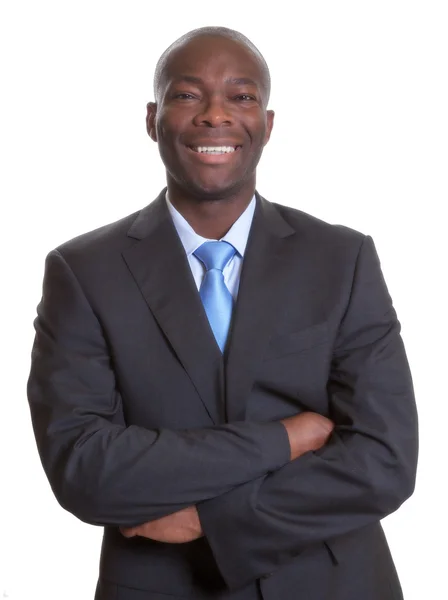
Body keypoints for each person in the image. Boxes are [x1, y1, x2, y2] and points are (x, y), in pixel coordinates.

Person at [27, 26, 418, 600]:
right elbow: (84, 468)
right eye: (188, 95)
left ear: (268, 124)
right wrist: (287, 438)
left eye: (241, 97)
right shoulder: (83, 271)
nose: (216, 115)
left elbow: (385, 459)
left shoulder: (342, 258)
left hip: (335, 583)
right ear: (151, 119)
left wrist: (210, 520)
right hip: (160, 585)